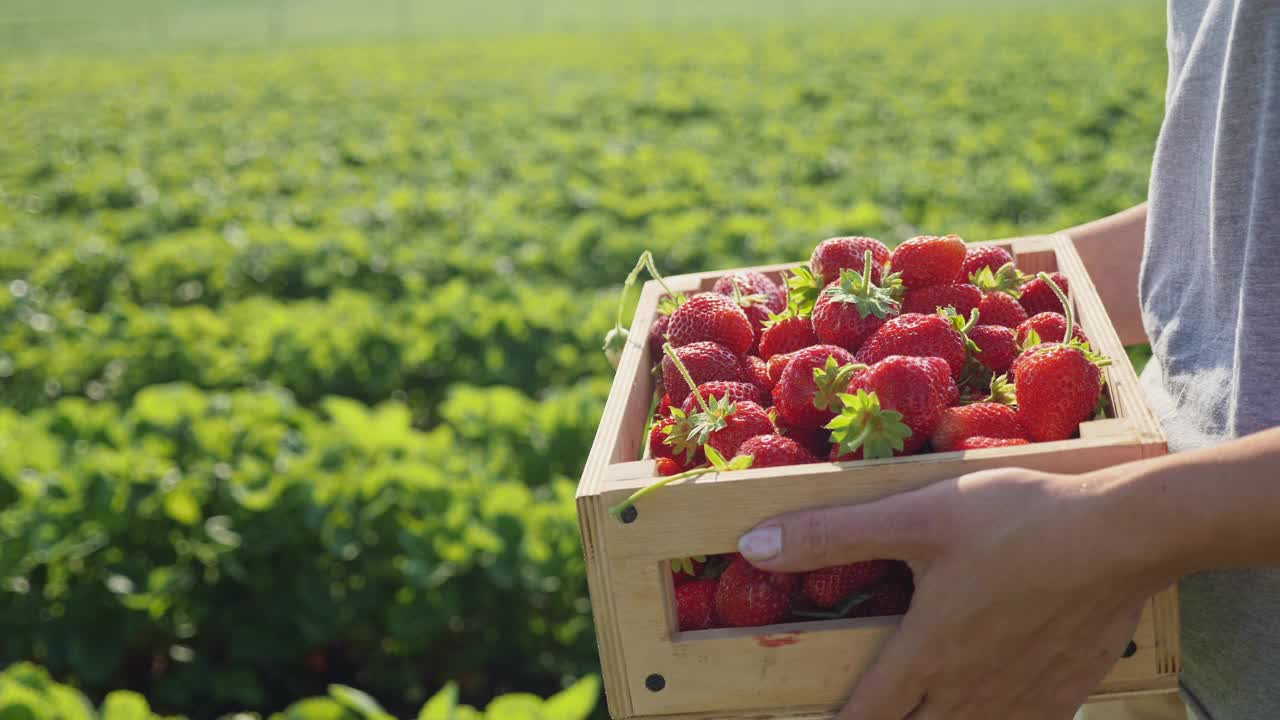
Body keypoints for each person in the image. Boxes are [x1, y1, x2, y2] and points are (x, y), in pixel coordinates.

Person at [736, 0, 1280, 718]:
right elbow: (1229, 201)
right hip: (1131, 636)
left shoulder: (1109, 535)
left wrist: (1112, 529)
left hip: (1131, 571)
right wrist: (969, 296)